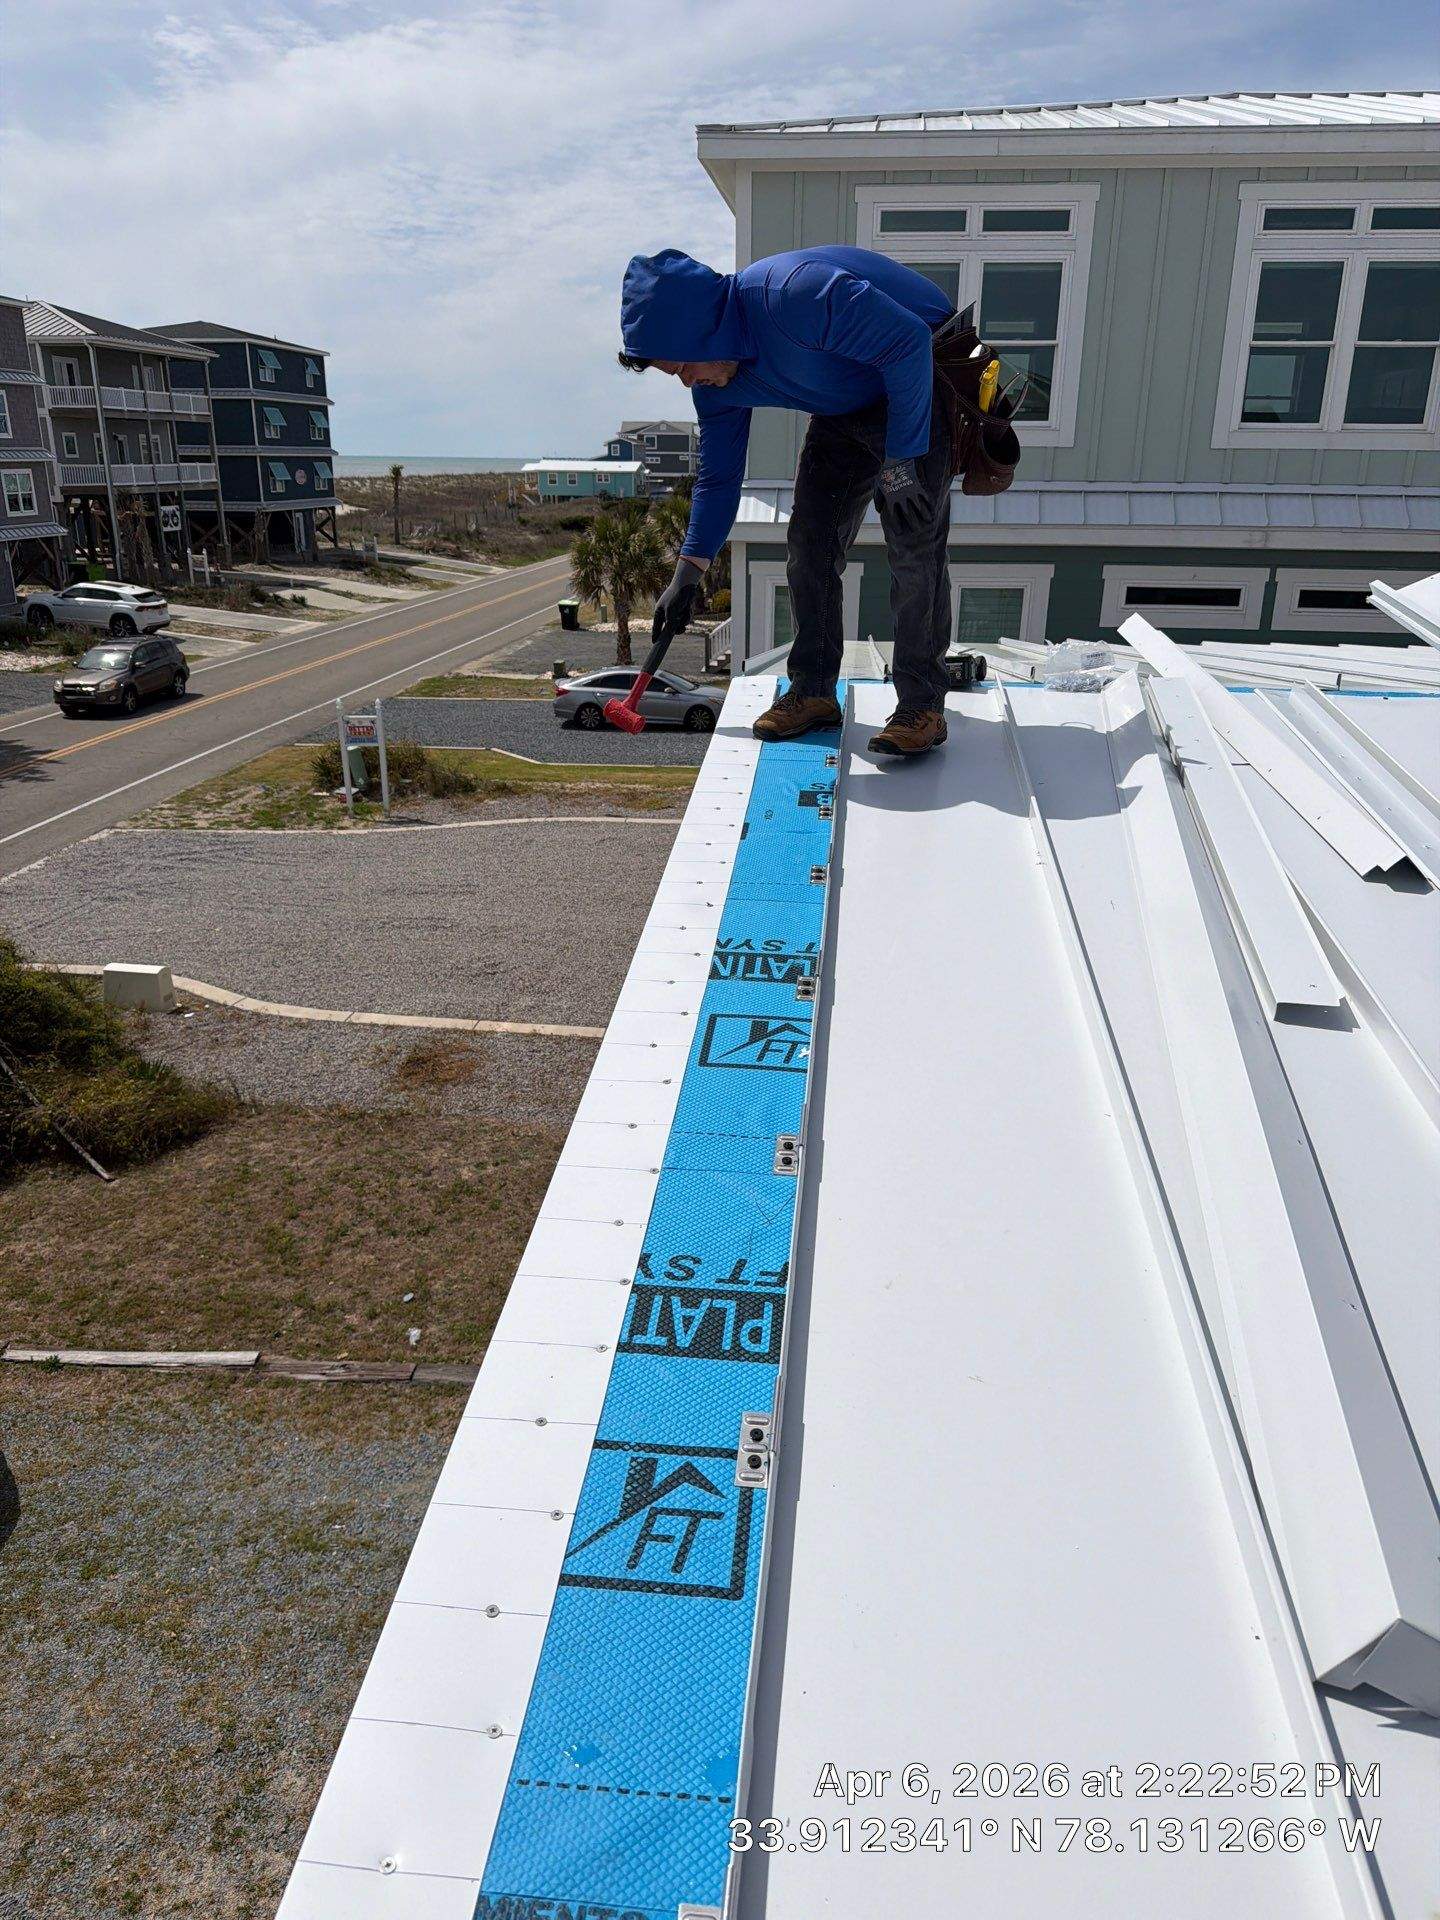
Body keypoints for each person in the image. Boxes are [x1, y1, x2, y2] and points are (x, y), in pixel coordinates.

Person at [618, 244, 1011, 754]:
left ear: (702, 330)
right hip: (844, 406)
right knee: (809, 544)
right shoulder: (717, 387)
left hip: (916, 376)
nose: (688, 380)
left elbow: (908, 340)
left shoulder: (793, 295)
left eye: (682, 366)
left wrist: (902, 461)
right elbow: (718, 481)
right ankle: (812, 692)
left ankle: (922, 706)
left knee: (914, 545)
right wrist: (687, 575)